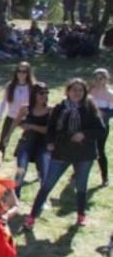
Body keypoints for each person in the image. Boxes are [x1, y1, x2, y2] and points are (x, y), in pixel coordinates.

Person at [24, 78, 106, 228]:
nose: (77, 93)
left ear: (85, 92)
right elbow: (51, 128)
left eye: (80, 90)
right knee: (47, 185)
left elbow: (101, 130)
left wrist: (84, 134)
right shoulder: (60, 108)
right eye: (74, 89)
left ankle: (81, 215)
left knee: (81, 186)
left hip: (84, 154)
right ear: (68, 91)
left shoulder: (90, 107)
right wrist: (50, 142)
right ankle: (31, 217)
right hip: (62, 152)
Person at [13, 82, 51, 199]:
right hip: (27, 142)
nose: (44, 95)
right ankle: (14, 197)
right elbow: (15, 122)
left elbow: (48, 130)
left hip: (43, 145)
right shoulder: (25, 108)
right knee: (21, 170)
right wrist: (7, 137)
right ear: (34, 94)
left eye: (46, 93)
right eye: (41, 93)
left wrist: (31, 126)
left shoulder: (51, 110)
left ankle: (42, 200)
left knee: (44, 173)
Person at [0, 62, 36, 157]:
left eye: (24, 72)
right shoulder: (10, 86)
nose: (21, 74)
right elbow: (4, 102)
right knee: (3, 141)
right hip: (11, 116)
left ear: (28, 73)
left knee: (30, 139)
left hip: (25, 117)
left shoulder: (32, 87)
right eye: (19, 71)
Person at [89, 68, 113, 186]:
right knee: (84, 148)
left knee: (100, 150)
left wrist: (101, 116)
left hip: (101, 126)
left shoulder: (110, 94)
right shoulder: (90, 91)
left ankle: (105, 177)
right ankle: (77, 172)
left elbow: (111, 112)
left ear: (106, 79)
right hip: (88, 125)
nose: (98, 81)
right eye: (96, 78)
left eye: (101, 78)